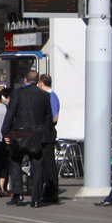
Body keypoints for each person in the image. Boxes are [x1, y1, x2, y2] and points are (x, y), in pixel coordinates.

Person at [2, 71, 54, 207]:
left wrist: (5, 132)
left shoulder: (17, 93)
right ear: (37, 81)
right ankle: (36, 199)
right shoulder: (44, 95)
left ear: (25, 80)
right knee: (37, 165)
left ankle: (17, 193)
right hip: (38, 135)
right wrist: (47, 135)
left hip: (20, 134)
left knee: (14, 160)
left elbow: (10, 113)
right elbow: (48, 117)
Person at [38, 74, 61, 202]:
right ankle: (46, 190)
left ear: (41, 83)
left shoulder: (51, 96)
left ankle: (52, 192)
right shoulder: (49, 96)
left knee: (49, 164)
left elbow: (54, 116)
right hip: (46, 132)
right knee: (45, 163)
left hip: (48, 133)